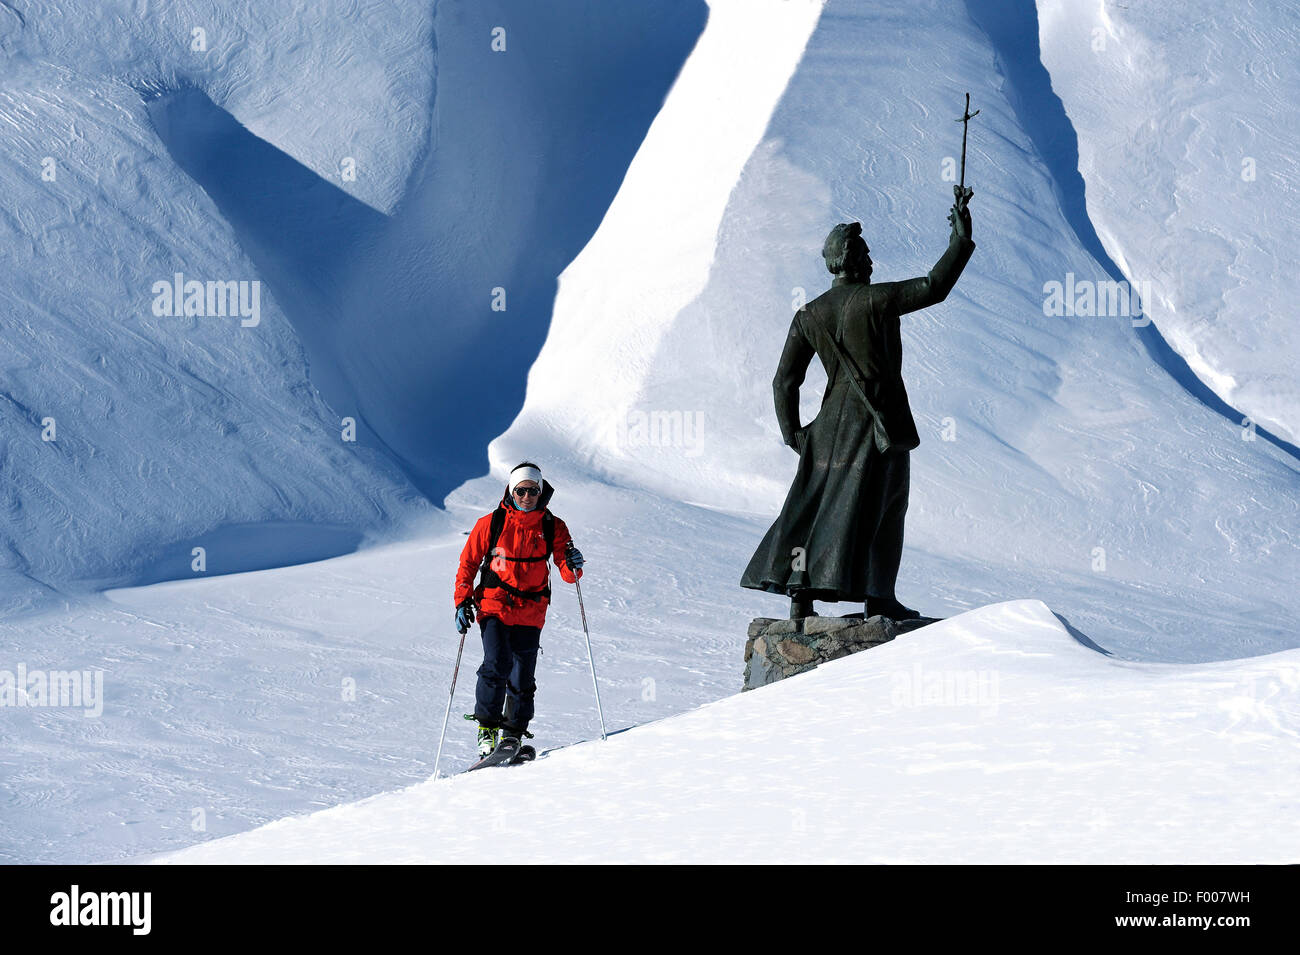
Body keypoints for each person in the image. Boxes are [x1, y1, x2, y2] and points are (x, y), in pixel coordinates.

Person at [740, 185, 975, 621]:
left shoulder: (809, 314)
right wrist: (960, 242)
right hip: (875, 425)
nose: (870, 258)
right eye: (865, 250)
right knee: (886, 508)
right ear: (853, 258)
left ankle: (799, 594)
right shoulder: (874, 299)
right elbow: (933, 286)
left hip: (826, 428)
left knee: (811, 509)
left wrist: (793, 432)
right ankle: (879, 596)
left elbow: (783, 381)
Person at [454, 461, 584, 758]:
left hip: (532, 610)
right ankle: (487, 729)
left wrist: (573, 563)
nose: (527, 497)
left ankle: (513, 733)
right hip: (494, 604)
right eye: (521, 491)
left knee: (523, 676)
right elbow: (468, 564)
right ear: (512, 491)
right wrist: (461, 600)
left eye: (533, 491)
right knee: (497, 663)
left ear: (541, 492)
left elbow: (567, 572)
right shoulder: (491, 523)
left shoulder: (553, 525)